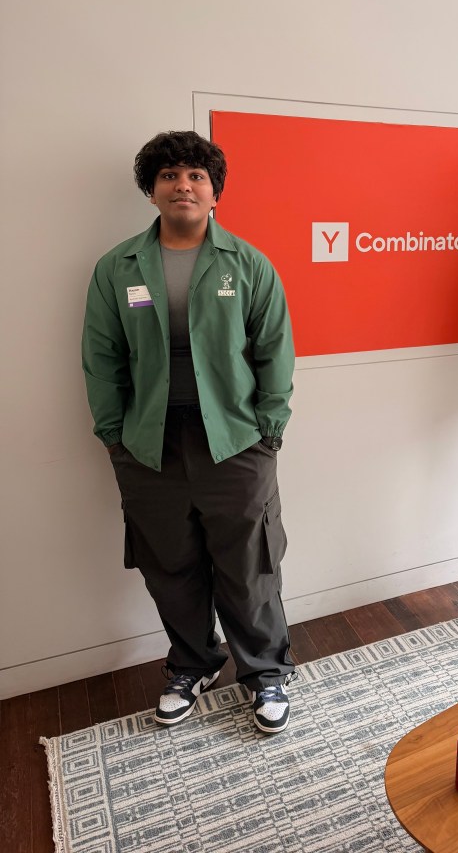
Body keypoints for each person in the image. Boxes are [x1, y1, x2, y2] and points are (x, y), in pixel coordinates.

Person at [82, 130, 296, 733]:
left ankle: (265, 671)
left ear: (214, 193)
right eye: (170, 175)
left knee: (248, 563)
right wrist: (114, 437)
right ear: (152, 191)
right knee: (169, 563)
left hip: (236, 440)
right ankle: (193, 663)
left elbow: (275, 351)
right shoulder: (117, 268)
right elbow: (101, 357)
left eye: (196, 175)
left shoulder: (247, 264)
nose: (183, 185)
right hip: (148, 444)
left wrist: (269, 430)